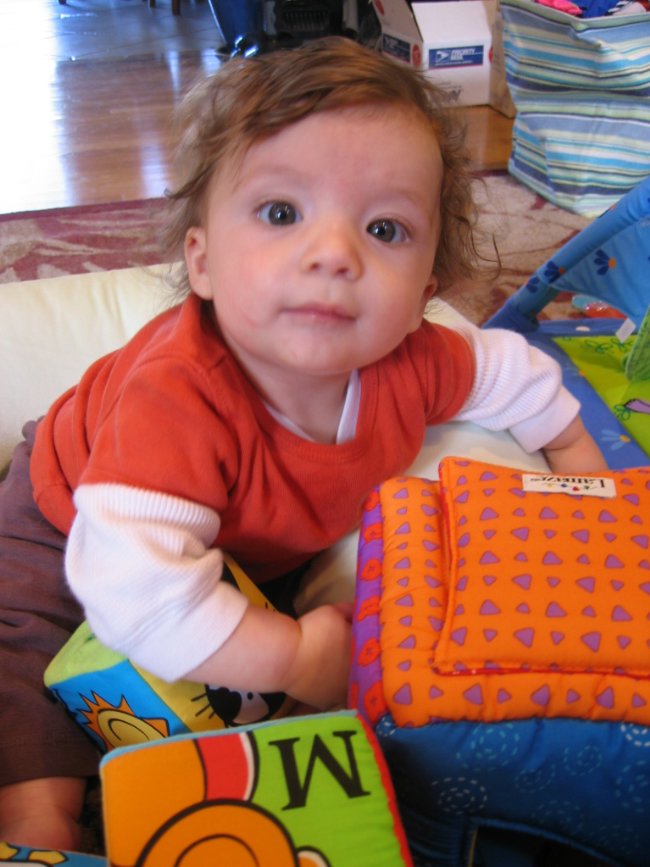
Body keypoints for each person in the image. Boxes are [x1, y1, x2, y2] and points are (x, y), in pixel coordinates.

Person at [0, 36, 606, 848]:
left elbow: (515, 377)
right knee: (23, 650)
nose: (333, 254)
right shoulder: (176, 398)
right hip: (69, 513)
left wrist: (583, 473)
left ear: (423, 295)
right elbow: (133, 588)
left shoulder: (414, 361)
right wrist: (291, 656)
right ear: (202, 263)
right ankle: (37, 820)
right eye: (282, 213)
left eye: (384, 228)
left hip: (243, 544)